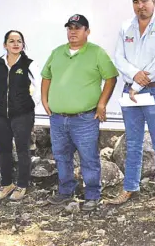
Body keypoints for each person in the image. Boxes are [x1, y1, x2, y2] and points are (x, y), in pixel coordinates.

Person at [107, 0, 155, 215]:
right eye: (136, 1)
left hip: (154, 91)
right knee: (133, 143)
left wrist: (138, 83)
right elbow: (119, 57)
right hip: (131, 93)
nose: (140, 6)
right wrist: (134, 78)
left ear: (154, 1)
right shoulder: (126, 27)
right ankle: (130, 188)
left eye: (144, 0)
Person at [41, 14, 118, 211]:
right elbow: (46, 76)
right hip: (58, 118)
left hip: (85, 119)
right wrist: (44, 99)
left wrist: (102, 104)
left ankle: (92, 195)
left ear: (87, 31)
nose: (73, 31)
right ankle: (66, 191)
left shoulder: (97, 53)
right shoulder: (57, 52)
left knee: (89, 157)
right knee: (61, 156)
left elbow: (111, 78)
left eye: (78, 27)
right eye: (70, 28)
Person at [0, 30, 41, 201]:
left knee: (22, 150)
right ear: (5, 44)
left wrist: (27, 104)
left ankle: (22, 185)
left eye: (19, 41)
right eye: (11, 41)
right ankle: (6, 184)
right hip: (1, 115)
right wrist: (0, 102)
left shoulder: (29, 64)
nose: (16, 44)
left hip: (22, 115)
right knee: (4, 150)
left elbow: (39, 88)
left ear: (23, 44)